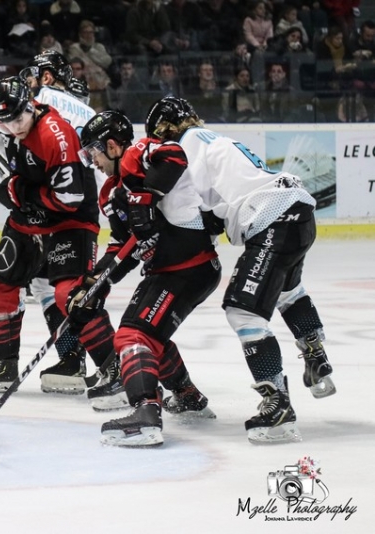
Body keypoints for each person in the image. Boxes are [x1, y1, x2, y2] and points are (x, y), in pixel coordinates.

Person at [146, 96, 336, 444]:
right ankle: (316, 355)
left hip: (271, 217)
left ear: (164, 129)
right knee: (287, 290)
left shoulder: (182, 148)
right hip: (297, 210)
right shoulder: (213, 139)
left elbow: (187, 213)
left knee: (242, 310)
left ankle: (278, 406)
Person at [0, 73, 118, 395]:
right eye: (5, 122)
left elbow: (70, 198)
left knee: (70, 294)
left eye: (18, 120)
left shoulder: (55, 136)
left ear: (30, 106)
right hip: (28, 217)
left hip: (70, 220)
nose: (14, 128)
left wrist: (20, 191)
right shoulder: (6, 114)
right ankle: (2, 363)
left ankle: (114, 365)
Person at [77, 109, 220, 447]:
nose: (92, 161)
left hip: (187, 265)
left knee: (132, 336)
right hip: (173, 270)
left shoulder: (137, 154)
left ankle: (145, 413)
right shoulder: (110, 193)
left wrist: (144, 198)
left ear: (112, 146)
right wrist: (96, 281)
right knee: (149, 333)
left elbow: (173, 153)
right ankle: (187, 396)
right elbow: (122, 245)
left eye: (93, 152)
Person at [17, 50, 105, 396]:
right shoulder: (84, 107)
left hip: (62, 204)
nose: (28, 83)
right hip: (76, 199)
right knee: (45, 284)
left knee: (72, 291)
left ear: (47, 77)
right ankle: (71, 359)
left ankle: (112, 364)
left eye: (33, 76)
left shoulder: (42, 101)